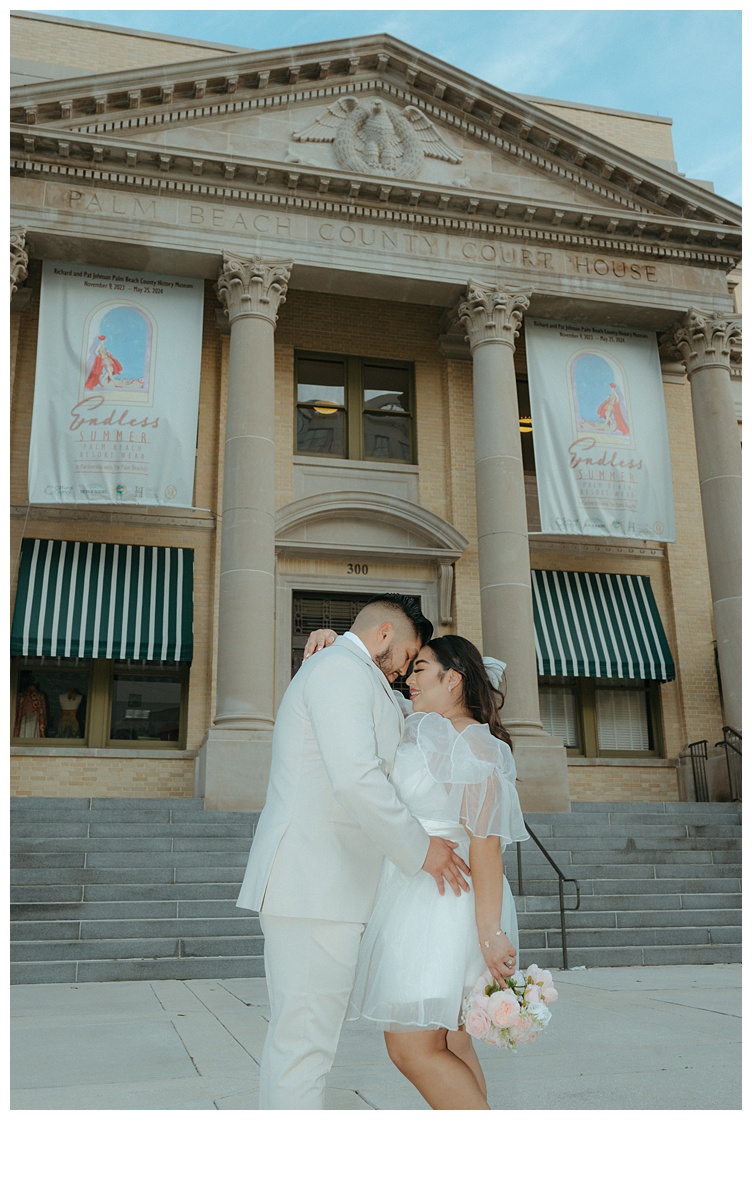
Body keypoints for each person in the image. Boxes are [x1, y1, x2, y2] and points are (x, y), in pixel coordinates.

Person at [235, 594, 472, 1110]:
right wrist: (422, 850)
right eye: (409, 656)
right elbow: (357, 779)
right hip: (312, 885)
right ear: (385, 633)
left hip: (333, 889)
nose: (407, 671)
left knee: (307, 1044)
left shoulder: (355, 673)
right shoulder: (340, 671)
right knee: (303, 1047)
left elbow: (425, 714)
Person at [304, 629, 529, 1110]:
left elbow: (486, 848)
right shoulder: (434, 727)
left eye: (420, 669)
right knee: (452, 1042)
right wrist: (336, 642)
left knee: (412, 1048)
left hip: (441, 904)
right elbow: (367, 699)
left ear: (454, 679)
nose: (408, 679)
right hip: (431, 893)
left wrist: (490, 936)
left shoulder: (463, 740)